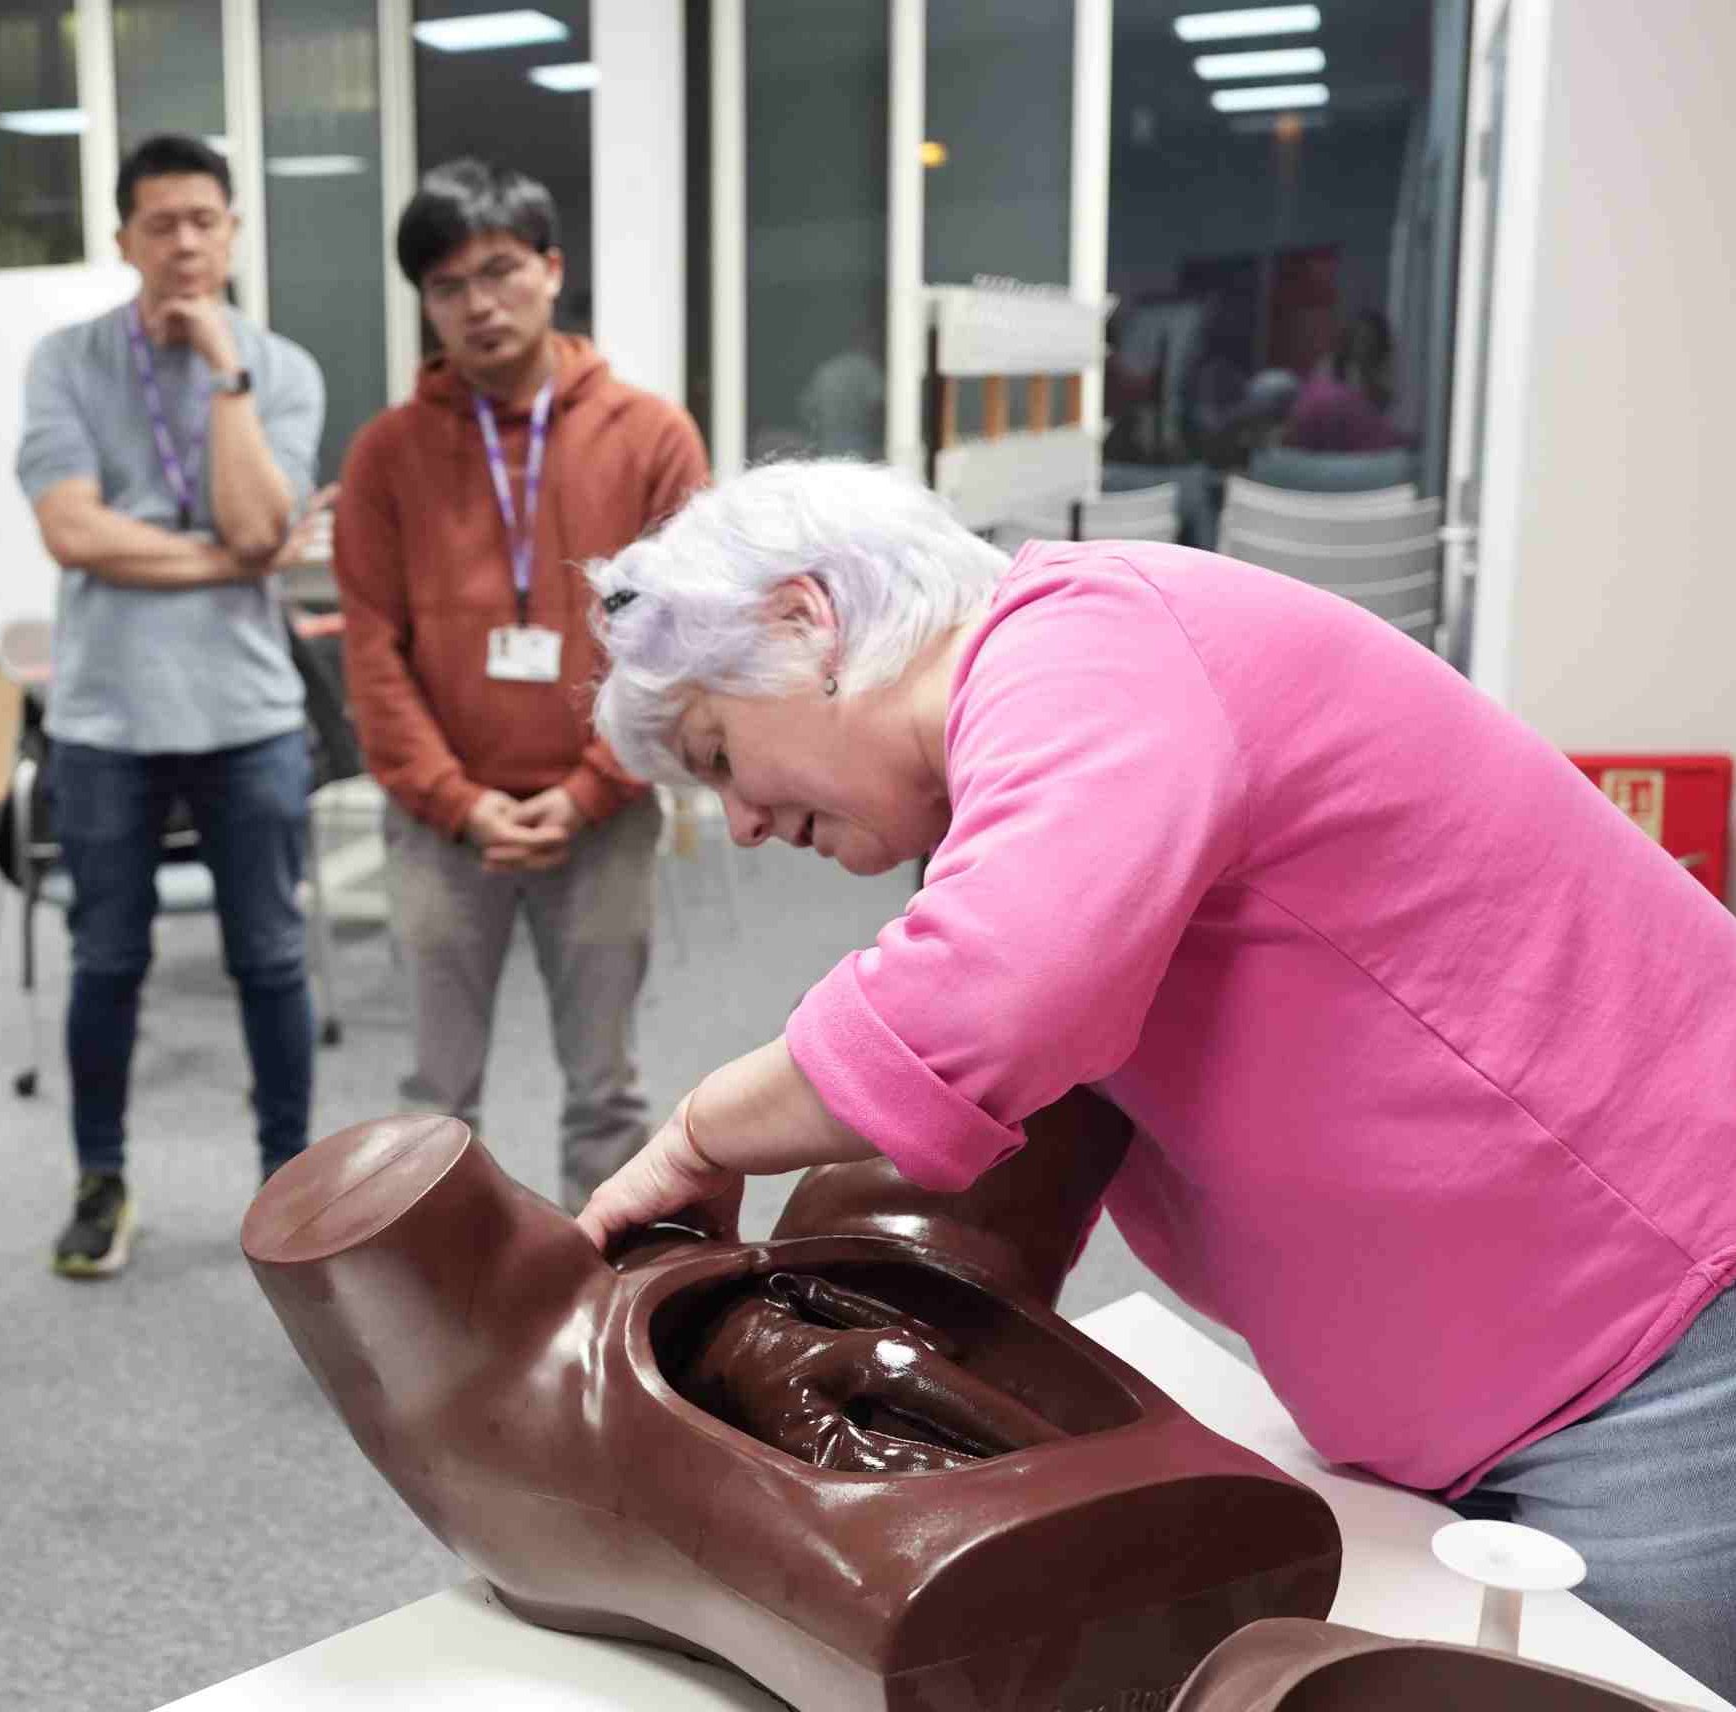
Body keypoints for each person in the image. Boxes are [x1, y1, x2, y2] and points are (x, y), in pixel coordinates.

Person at [573, 459, 1736, 1696]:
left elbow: (978, 996)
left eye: (716, 751)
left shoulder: (1091, 651)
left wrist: (696, 1136)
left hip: (1653, 1344)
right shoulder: (1042, 742)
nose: (742, 823)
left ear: (806, 621)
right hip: (1501, 1384)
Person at [332, 158, 707, 1212]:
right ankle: (443, 1314)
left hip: (603, 818)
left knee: (605, 1091)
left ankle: (604, 1302)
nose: (479, 304)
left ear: (550, 270)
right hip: (441, 827)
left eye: (499, 271)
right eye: (448, 286)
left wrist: (591, 787)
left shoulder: (649, 436)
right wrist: (458, 801)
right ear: (425, 304)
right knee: (434, 1098)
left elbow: (679, 639)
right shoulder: (386, 454)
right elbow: (374, 649)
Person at [16, 134, 330, 1278]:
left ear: (234, 230)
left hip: (246, 714)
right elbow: (70, 530)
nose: (185, 241)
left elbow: (260, 524)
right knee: (107, 958)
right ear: (123, 240)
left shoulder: (281, 368)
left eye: (205, 219)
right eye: (161, 223)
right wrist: (222, 560)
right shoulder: (64, 361)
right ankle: (101, 1177)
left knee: (271, 957)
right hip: (105, 719)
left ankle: (289, 1184)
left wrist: (222, 374)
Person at [1283, 308, 1409, 453]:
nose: (1363, 346)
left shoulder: (1385, 379)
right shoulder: (1329, 371)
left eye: (1369, 340)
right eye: (1359, 338)